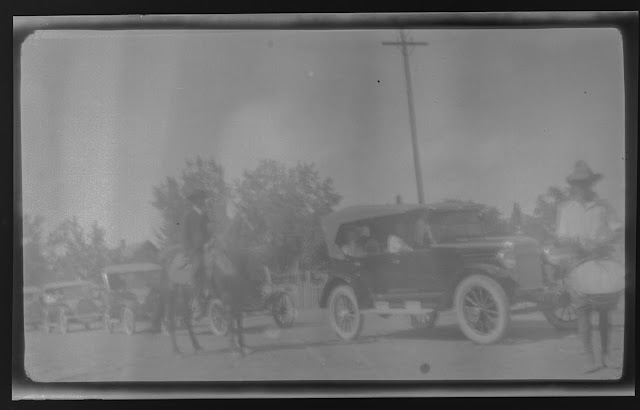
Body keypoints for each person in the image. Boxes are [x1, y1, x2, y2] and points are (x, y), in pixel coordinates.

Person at [554, 160, 625, 373]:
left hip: (601, 262)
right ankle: (589, 358)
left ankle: (607, 355)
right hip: (577, 264)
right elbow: (561, 237)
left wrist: (602, 241)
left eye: (585, 183)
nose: (581, 187)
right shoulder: (567, 209)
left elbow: (618, 230)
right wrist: (577, 242)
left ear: (591, 184)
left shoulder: (603, 206)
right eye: (578, 183)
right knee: (582, 312)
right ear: (573, 185)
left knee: (605, 312)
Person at [181, 187, 211, 319]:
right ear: (194, 201)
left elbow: (210, 231)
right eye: (199, 199)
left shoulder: (206, 215)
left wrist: (211, 241)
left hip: (210, 247)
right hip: (195, 251)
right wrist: (189, 252)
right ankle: (198, 304)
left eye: (202, 199)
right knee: (196, 271)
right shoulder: (188, 216)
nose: (202, 201)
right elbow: (184, 237)